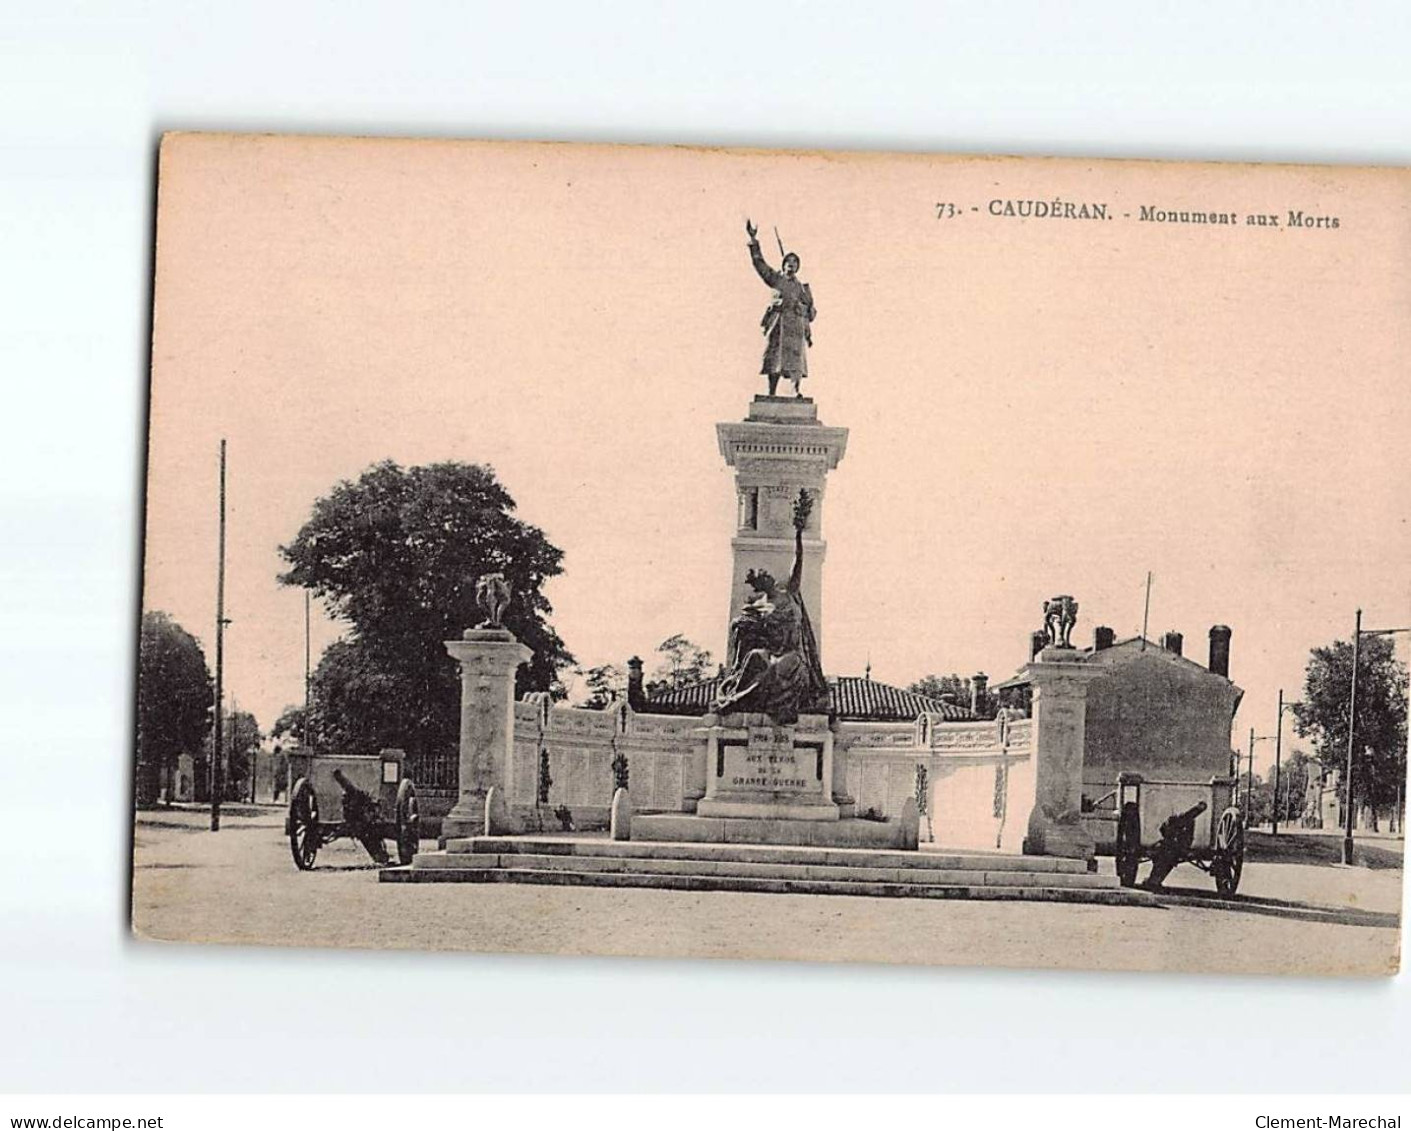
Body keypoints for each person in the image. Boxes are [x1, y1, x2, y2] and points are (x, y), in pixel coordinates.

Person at [715, 490, 828, 723]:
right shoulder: (763, 605)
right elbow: (744, 625)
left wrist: (798, 534)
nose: (768, 579)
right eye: (763, 580)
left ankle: (746, 703)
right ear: (763, 587)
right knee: (756, 657)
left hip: (791, 654)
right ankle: (737, 697)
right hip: (772, 652)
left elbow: (799, 563)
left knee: (778, 670)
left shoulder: (790, 593)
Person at [745, 219, 815, 397]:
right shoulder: (776, 279)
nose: (791, 264)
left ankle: (795, 390)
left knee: (796, 362)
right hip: (779, 323)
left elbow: (812, 312)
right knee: (774, 359)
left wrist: (805, 308)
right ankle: (771, 392)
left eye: (795, 262)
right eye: (788, 261)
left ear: (798, 267)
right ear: (783, 265)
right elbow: (760, 266)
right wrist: (754, 241)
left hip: (796, 328)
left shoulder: (802, 288)